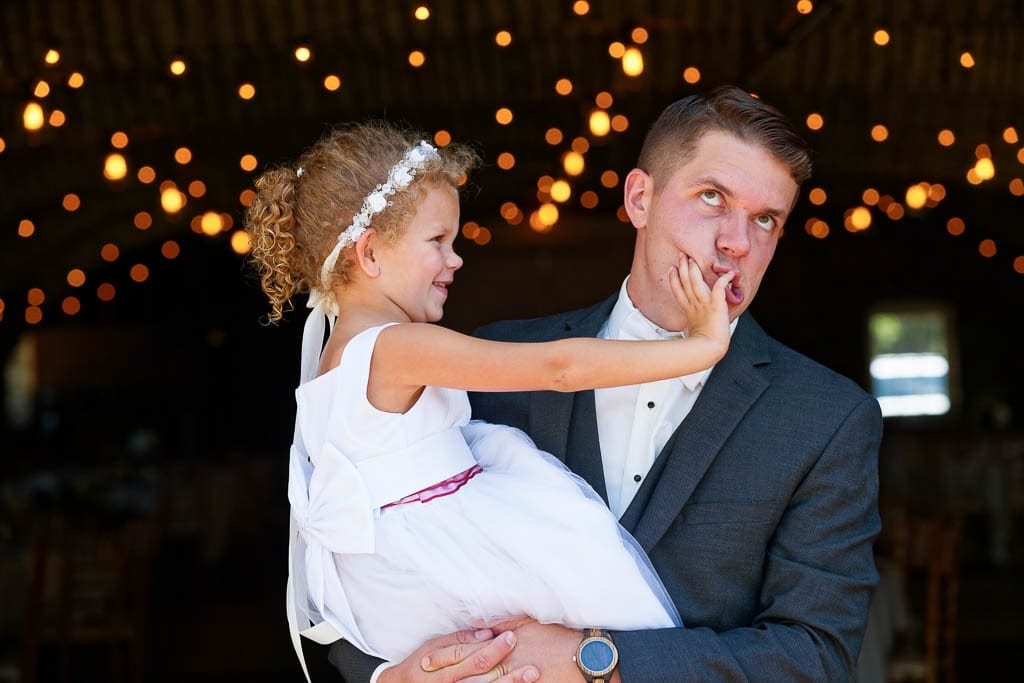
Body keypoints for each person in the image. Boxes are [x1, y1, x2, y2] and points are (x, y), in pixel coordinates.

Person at [329, 86, 883, 682]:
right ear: (640, 199)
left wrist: (597, 661)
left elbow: (815, 658)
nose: (737, 243)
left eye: (766, 220)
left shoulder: (827, 418)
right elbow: (355, 554)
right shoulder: (495, 364)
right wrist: (393, 678)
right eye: (712, 198)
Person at [244, 121, 743, 682]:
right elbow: (558, 368)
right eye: (437, 242)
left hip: (389, 587)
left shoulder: (330, 359)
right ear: (370, 251)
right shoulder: (393, 347)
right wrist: (700, 347)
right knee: (603, 604)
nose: (455, 260)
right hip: (449, 555)